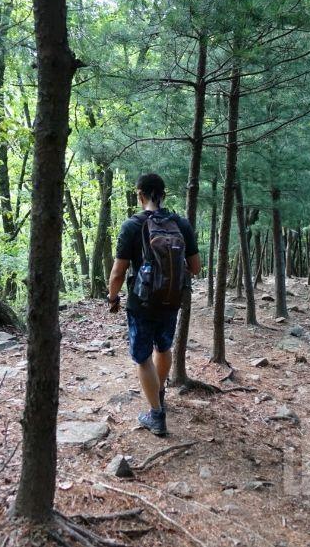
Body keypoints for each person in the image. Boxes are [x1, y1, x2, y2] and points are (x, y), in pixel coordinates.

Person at [107, 173, 201, 435]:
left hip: (141, 304)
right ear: (164, 194)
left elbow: (117, 273)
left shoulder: (132, 226)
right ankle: (159, 393)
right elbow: (195, 267)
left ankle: (156, 416)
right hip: (171, 301)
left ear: (140, 195)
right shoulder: (180, 224)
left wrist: (113, 297)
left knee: (143, 358)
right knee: (164, 346)